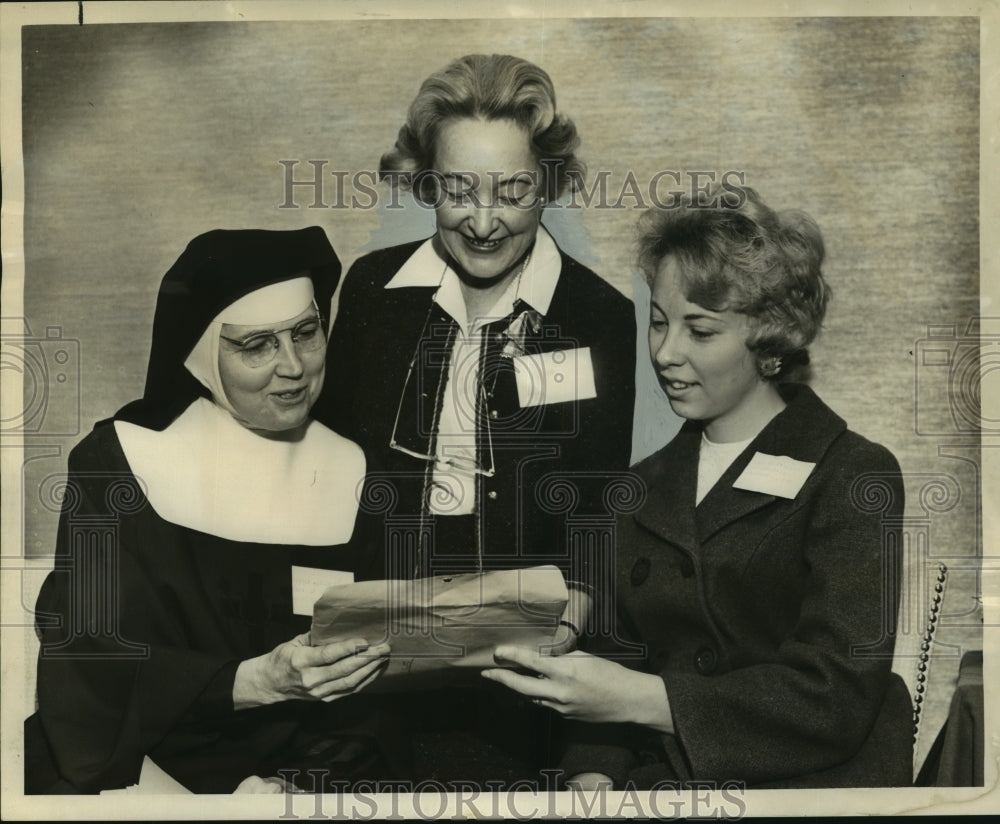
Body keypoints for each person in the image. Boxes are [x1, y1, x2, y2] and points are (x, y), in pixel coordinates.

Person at [481, 186, 914, 788]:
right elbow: (615, 654)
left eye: (700, 331)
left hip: (808, 793)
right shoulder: (634, 490)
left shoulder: (853, 474)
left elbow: (835, 697)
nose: (665, 352)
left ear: (771, 335)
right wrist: (591, 776)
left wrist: (646, 700)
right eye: (658, 322)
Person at [312, 54, 636, 785]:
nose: (485, 223)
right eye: (459, 190)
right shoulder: (371, 291)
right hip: (375, 672)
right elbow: (328, 471)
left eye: (513, 191)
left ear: (547, 184)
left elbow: (597, 505)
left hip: (521, 675)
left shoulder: (598, 316)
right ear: (427, 182)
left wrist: (574, 619)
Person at [27, 228, 399, 794]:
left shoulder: (361, 472)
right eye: (257, 346)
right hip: (144, 772)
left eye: (307, 332)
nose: (294, 367)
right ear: (202, 353)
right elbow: (88, 669)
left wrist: (303, 785)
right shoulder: (119, 463)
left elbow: (370, 698)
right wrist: (255, 684)